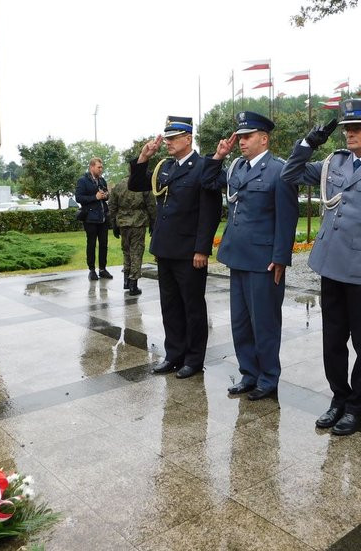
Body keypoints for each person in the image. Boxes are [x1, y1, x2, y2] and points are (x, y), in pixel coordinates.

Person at [281, 99, 361, 436]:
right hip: (332, 266)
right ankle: (339, 398)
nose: (349, 134)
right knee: (332, 340)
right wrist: (309, 142)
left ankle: (357, 408)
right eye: (346, 129)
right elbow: (290, 173)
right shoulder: (333, 163)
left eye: (357, 128)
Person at [201, 111, 299, 400]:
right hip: (237, 255)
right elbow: (208, 182)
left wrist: (281, 257)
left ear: (264, 138)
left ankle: (268, 378)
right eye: (240, 137)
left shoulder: (279, 170)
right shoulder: (236, 168)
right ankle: (249, 373)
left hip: (264, 260)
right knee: (240, 321)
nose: (241, 141)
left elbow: (287, 217)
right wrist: (219, 156)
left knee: (265, 323)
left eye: (247, 136)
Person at [128, 116, 221, 379]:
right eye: (166, 138)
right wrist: (144, 156)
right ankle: (174, 354)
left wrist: (202, 249)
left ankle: (193, 359)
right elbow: (136, 184)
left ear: (188, 138)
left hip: (190, 251)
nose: (167, 142)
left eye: (172, 138)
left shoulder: (204, 166)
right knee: (170, 305)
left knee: (192, 307)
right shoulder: (164, 167)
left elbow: (210, 212)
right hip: (166, 248)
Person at [107, 172, 156, 296]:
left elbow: (112, 206)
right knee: (136, 252)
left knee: (126, 251)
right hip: (138, 223)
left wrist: (114, 224)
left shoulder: (119, 185)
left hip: (123, 223)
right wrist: (153, 222)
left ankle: (126, 280)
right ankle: (133, 283)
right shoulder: (144, 185)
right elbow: (151, 205)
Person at [75, 158, 112, 281]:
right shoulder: (83, 181)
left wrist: (106, 196)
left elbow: (105, 196)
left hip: (103, 217)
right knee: (91, 244)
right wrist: (95, 197)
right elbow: (79, 198)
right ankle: (92, 270)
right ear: (91, 167)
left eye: (101, 167)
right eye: (98, 167)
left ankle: (102, 269)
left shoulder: (102, 180)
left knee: (104, 244)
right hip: (90, 218)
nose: (101, 169)